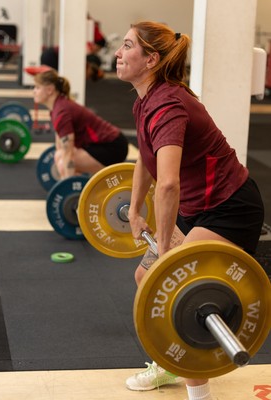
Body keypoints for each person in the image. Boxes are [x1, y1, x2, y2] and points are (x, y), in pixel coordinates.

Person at [114, 21, 264, 400]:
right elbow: (145, 161)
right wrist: (133, 210)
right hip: (197, 207)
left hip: (230, 207)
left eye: (127, 45)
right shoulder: (144, 100)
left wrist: (165, 251)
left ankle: (201, 395)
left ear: (151, 59)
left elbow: (167, 184)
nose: (118, 51)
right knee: (143, 277)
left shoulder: (167, 104)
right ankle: (170, 364)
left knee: (178, 287)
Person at [33, 69, 128, 179]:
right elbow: (60, 146)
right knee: (59, 156)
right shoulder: (56, 108)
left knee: (63, 162)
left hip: (113, 147)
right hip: (101, 144)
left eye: (37, 87)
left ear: (49, 90)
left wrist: (66, 186)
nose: (34, 91)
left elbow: (68, 153)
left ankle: (76, 192)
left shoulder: (61, 112)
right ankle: (79, 189)